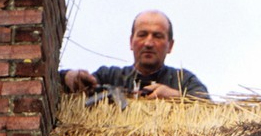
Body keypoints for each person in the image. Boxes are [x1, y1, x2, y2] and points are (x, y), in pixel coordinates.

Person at [61, 11, 209, 101]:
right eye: (142, 35)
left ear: (170, 45)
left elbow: (208, 108)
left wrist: (177, 98)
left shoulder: (184, 80)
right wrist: (69, 78)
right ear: (131, 42)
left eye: (157, 36)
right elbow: (48, 85)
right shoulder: (109, 76)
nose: (149, 43)